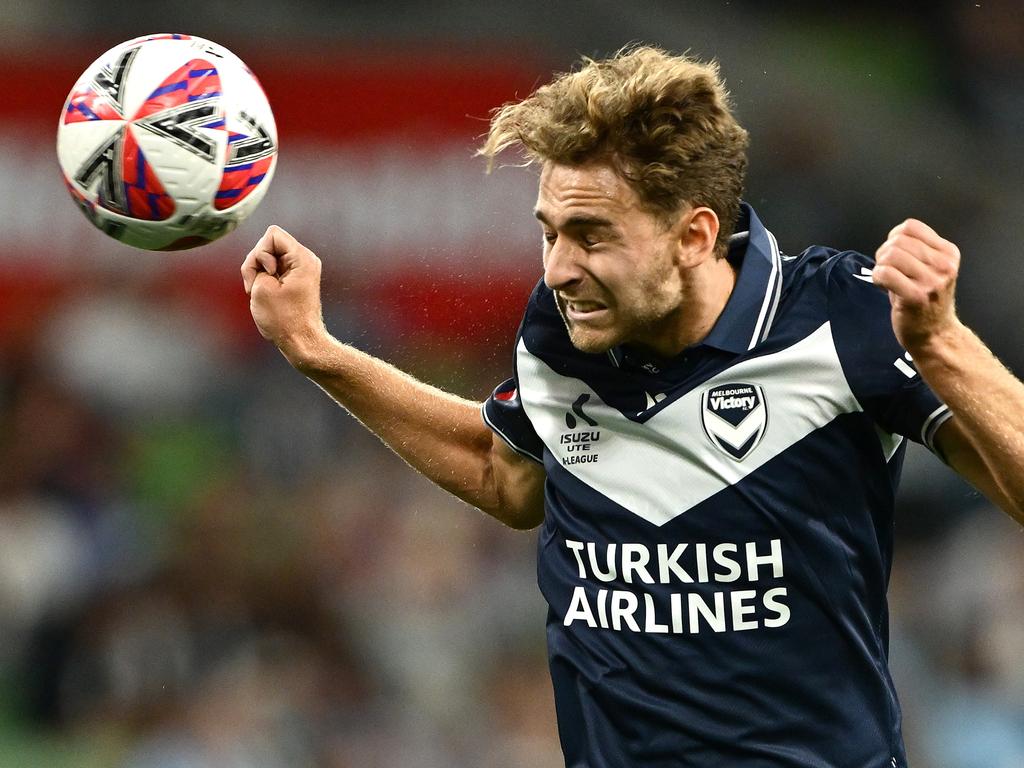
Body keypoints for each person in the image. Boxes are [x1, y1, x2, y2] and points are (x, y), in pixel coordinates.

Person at [240, 46, 1024, 768]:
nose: (558, 269)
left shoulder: (839, 316)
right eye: (549, 232)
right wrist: (319, 351)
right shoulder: (562, 330)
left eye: (591, 234)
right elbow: (504, 474)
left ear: (693, 235)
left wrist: (941, 345)